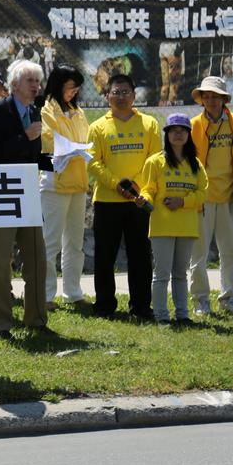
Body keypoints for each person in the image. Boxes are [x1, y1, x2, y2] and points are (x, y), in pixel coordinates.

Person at [0, 59, 50, 337]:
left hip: (29, 190)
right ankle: (0, 324)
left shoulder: (35, 111)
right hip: (2, 192)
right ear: (14, 85)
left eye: (37, 81)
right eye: (30, 81)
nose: (36, 86)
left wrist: (56, 160)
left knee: (36, 258)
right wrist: (24, 136)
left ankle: (36, 320)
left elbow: (30, 156)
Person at [86, 73, 161, 319]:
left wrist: (137, 186)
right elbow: (93, 162)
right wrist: (117, 184)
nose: (121, 97)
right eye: (115, 92)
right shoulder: (97, 127)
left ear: (134, 95)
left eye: (125, 92)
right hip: (107, 201)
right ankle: (104, 305)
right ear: (107, 96)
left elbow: (155, 158)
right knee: (104, 256)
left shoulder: (149, 124)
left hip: (139, 201)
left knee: (140, 256)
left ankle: (141, 306)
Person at [186, 76, 233, 318]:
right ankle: (200, 300)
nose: (211, 100)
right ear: (201, 99)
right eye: (207, 96)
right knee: (199, 253)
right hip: (201, 199)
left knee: (230, 251)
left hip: (230, 198)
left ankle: (228, 297)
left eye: (216, 96)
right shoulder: (193, 125)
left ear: (224, 99)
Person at [139, 113, 209, 323]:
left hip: (187, 226)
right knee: (161, 274)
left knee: (180, 274)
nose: (178, 134)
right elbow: (148, 188)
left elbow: (203, 193)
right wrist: (144, 198)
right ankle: (161, 316)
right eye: (173, 130)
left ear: (188, 135)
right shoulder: (155, 162)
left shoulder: (196, 164)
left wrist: (183, 202)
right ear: (167, 135)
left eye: (182, 130)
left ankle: (182, 315)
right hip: (162, 226)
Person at [39, 64, 91, 307]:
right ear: (58, 85)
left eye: (77, 88)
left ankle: (73, 292)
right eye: (71, 87)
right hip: (54, 184)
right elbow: (48, 141)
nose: (74, 92)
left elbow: (86, 138)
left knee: (75, 243)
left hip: (78, 182)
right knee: (50, 242)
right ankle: (46, 295)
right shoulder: (46, 109)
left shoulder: (77, 111)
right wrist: (71, 148)